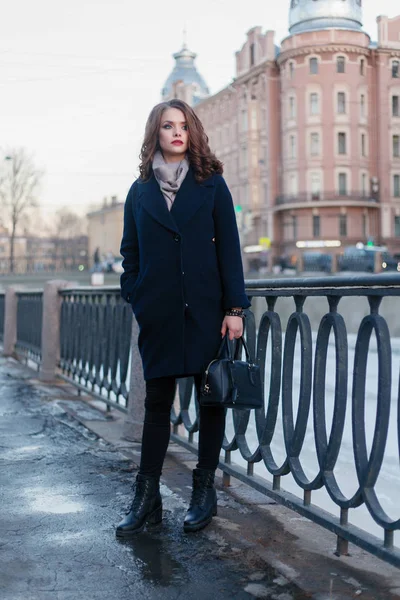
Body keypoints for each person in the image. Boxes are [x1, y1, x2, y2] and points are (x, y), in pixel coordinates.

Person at [117, 98, 250, 537]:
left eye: (183, 126)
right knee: (158, 404)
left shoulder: (212, 185)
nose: (177, 133)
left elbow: (229, 249)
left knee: (210, 401)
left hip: (206, 311)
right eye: (167, 126)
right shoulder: (139, 191)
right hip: (159, 314)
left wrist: (234, 308)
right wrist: (137, 295)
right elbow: (130, 254)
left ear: (192, 133)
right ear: (155, 133)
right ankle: (147, 495)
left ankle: (203, 491)